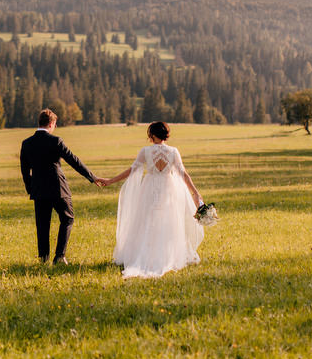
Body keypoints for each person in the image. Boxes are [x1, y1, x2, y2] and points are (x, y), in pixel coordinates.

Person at [97, 121, 205, 278]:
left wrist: (110, 180)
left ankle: (144, 253)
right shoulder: (174, 151)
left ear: (152, 135)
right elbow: (183, 174)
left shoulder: (146, 151)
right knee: (168, 220)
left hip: (149, 188)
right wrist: (195, 192)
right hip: (169, 188)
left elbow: (132, 171)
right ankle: (167, 254)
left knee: (146, 220)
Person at [20, 108, 100, 264]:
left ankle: (44, 258)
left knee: (42, 225)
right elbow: (73, 160)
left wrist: (31, 189)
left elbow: (24, 170)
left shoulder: (27, 143)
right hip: (58, 188)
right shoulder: (56, 141)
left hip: (38, 190)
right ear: (51, 123)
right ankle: (60, 256)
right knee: (68, 219)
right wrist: (92, 177)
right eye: (55, 124)